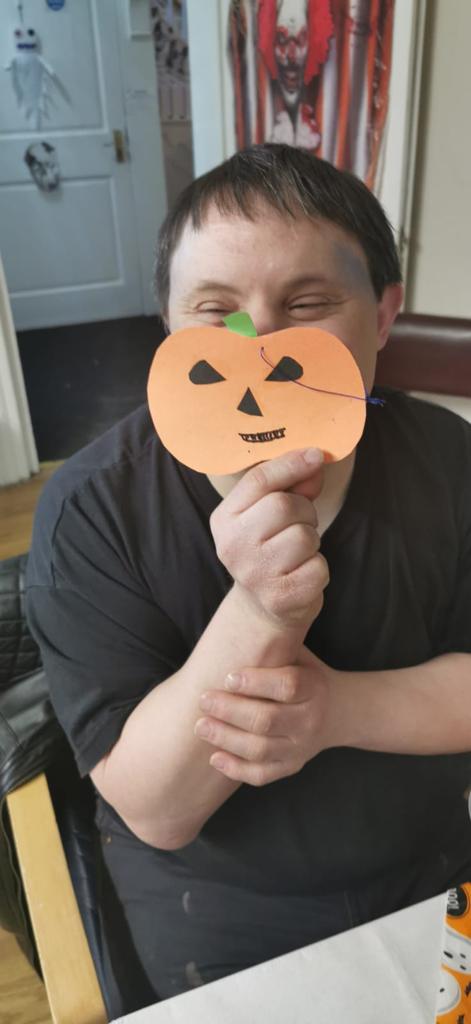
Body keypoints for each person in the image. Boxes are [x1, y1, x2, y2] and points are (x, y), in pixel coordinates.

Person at [26, 144, 471, 1015]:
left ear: (383, 316)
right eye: (214, 313)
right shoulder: (93, 507)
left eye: (306, 305)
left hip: (430, 868)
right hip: (217, 911)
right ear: (168, 325)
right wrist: (263, 607)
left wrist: (334, 710)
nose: (259, 348)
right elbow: (158, 810)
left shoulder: (449, 461)